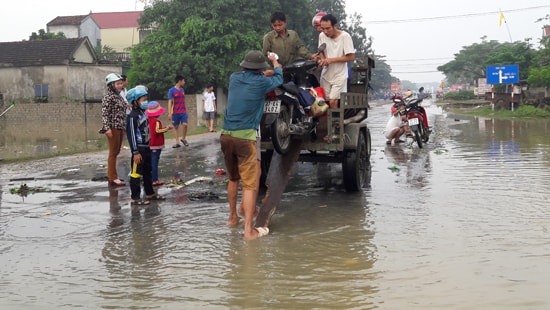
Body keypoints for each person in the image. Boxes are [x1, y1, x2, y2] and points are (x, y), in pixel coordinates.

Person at [220, 50, 283, 240]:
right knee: (250, 184)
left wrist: (265, 72)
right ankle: (249, 231)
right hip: (245, 136)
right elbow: (279, 77)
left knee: (233, 178)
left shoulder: (234, 78)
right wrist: (275, 61)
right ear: (261, 68)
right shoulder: (262, 82)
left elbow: (258, 77)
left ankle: (233, 218)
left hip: (225, 135)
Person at [126, 87, 165, 206]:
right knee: (136, 173)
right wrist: (135, 152)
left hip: (147, 147)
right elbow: (131, 135)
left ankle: (150, 193)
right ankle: (135, 197)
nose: (145, 101)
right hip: (139, 149)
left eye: (145, 99)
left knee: (148, 171)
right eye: (143, 99)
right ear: (135, 101)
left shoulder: (143, 113)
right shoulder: (132, 116)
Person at [316, 14, 355, 109]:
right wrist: (322, 59)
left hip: (339, 75)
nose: (325, 31)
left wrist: (331, 60)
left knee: (333, 101)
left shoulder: (345, 37)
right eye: (323, 28)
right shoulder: (322, 35)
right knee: (323, 102)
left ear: (335, 26)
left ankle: (335, 123)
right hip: (326, 74)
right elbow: (321, 51)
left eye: (328, 28)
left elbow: (351, 57)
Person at [100, 73, 127, 187]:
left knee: (116, 152)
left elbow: (123, 110)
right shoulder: (108, 97)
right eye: (118, 84)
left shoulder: (119, 96)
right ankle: (112, 177)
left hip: (120, 126)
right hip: (113, 127)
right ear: (111, 85)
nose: (120, 86)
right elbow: (105, 114)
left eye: (121, 83)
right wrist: (107, 128)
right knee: (113, 152)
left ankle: (114, 175)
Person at [146, 101, 173, 186]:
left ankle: (151, 179)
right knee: (155, 162)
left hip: (150, 144)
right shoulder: (156, 122)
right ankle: (154, 179)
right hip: (155, 145)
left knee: (151, 162)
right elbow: (157, 131)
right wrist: (167, 128)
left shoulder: (148, 121)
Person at [167, 75, 189, 148]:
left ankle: (183, 138)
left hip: (183, 111)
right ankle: (177, 142)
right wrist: (169, 113)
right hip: (175, 112)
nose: (184, 82)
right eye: (183, 81)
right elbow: (170, 102)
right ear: (180, 81)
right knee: (175, 127)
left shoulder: (182, 90)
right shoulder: (171, 90)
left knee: (185, 124)